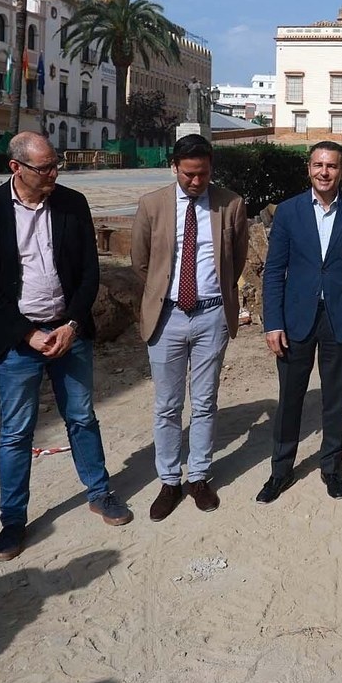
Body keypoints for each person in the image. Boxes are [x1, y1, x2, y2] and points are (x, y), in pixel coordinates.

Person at [0, 132, 131, 562]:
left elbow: (89, 274)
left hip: (67, 333)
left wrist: (72, 325)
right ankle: (12, 523)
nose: (54, 174)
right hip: (15, 342)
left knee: (81, 416)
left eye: (56, 165)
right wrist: (27, 333)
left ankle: (100, 493)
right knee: (17, 433)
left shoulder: (72, 203)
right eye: (45, 168)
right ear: (16, 168)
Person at [131, 134, 251, 518]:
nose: (195, 182)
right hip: (166, 316)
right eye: (188, 175)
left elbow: (238, 257)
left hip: (212, 316)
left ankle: (199, 476)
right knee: (167, 404)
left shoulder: (230, 204)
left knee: (204, 402)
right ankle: (169, 481)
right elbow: (140, 260)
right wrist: (165, 294)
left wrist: (215, 295)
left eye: (202, 174)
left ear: (211, 169)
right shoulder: (152, 205)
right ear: (174, 168)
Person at [257, 141, 342, 504]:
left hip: (341, 317)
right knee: (290, 398)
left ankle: (332, 467)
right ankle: (281, 470)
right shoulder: (289, 212)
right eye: (318, 165)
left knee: (335, 398)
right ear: (309, 169)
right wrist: (272, 322)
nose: (324, 172)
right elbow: (273, 271)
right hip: (295, 320)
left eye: (332, 166)